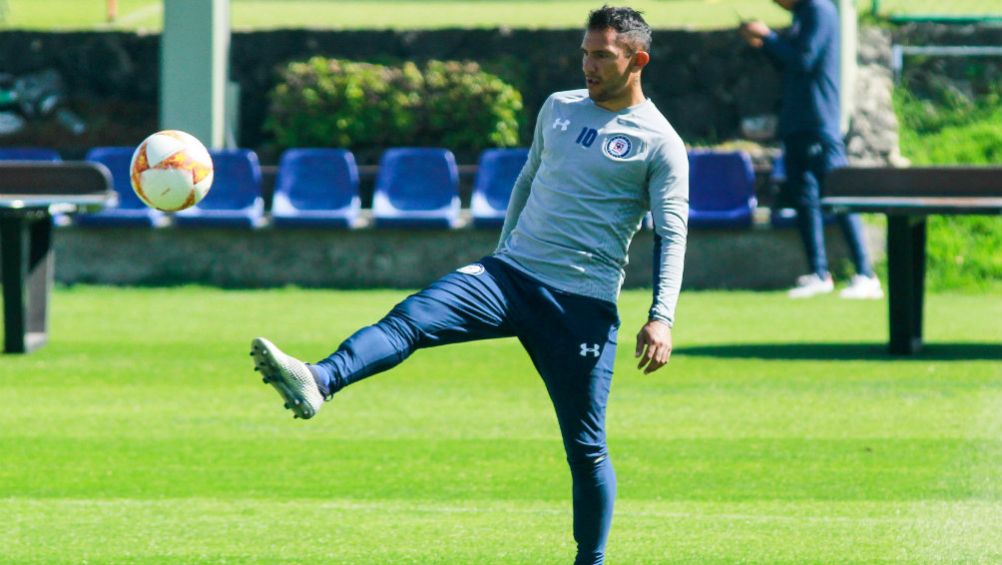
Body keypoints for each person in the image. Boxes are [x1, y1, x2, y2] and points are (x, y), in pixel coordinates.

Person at [250, 6, 688, 564]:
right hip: (507, 277)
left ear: (637, 61)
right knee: (411, 318)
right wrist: (502, 254)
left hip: (580, 305)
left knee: (586, 448)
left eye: (602, 55)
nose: (588, 65)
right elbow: (528, 182)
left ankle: (592, 561)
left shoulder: (660, 143)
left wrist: (662, 317)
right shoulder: (558, 109)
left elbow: (673, 235)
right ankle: (319, 378)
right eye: (584, 52)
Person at [740, 0, 883, 299]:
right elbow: (789, 63)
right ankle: (819, 273)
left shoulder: (819, 9)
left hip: (819, 121)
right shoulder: (803, 15)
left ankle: (866, 274)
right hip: (796, 124)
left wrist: (768, 37)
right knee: (805, 199)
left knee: (840, 194)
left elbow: (803, 60)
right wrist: (765, 45)